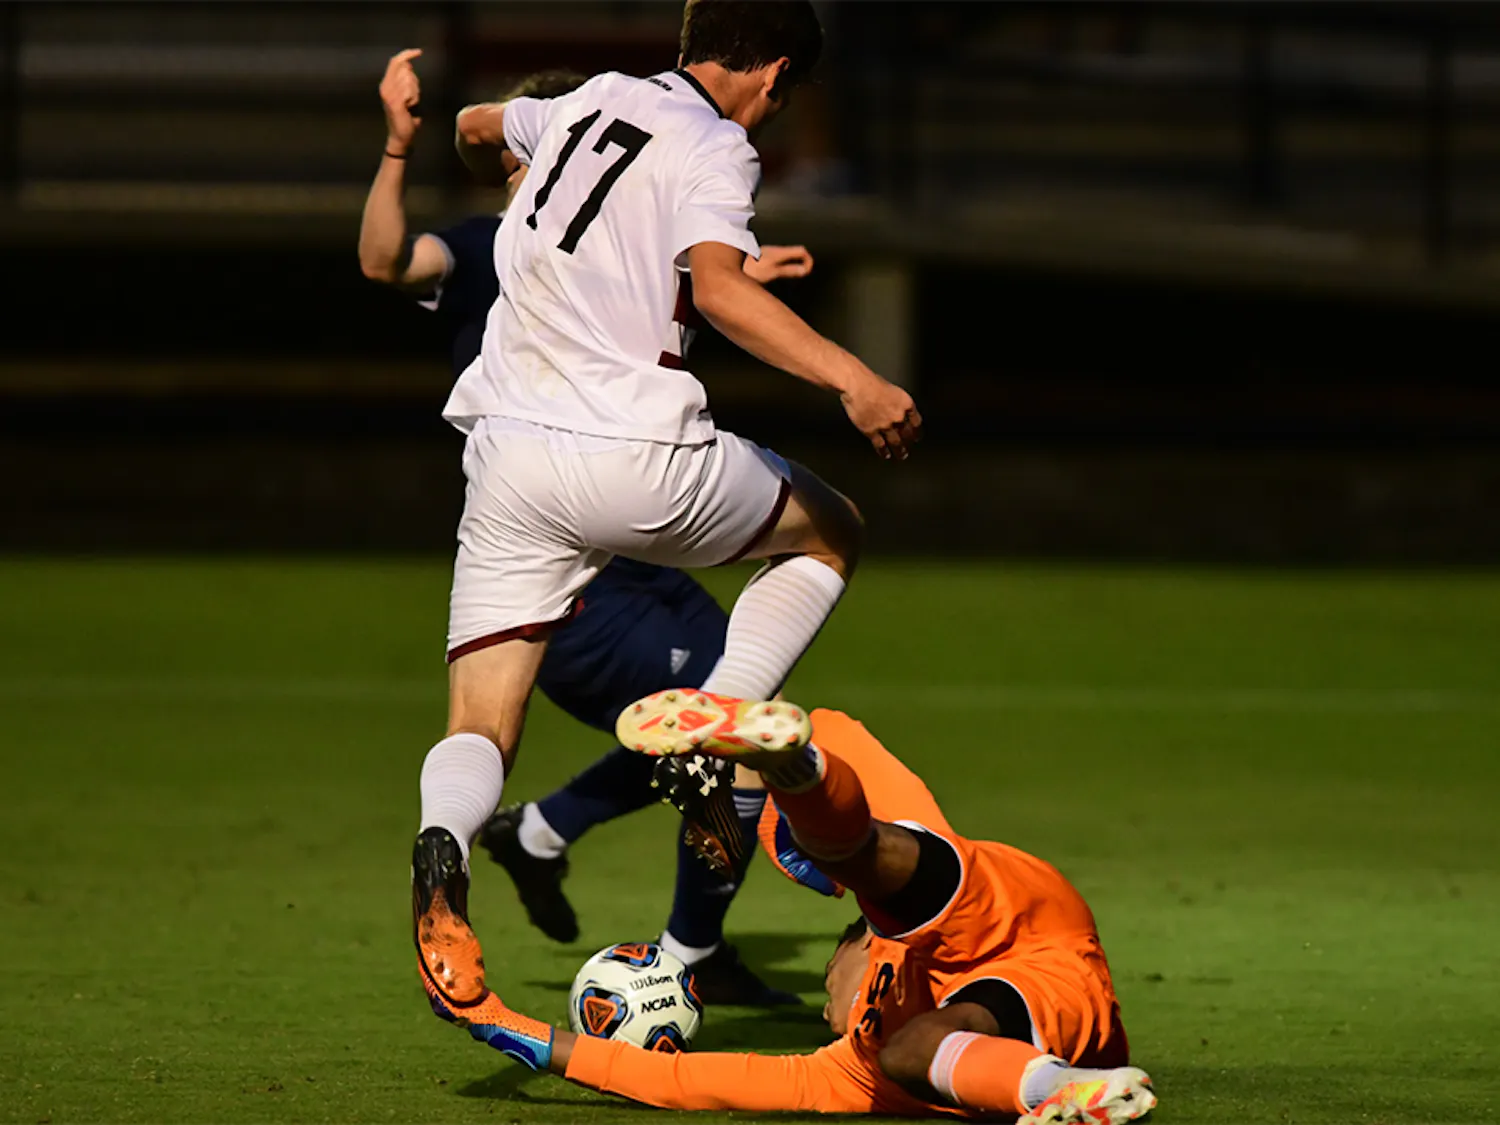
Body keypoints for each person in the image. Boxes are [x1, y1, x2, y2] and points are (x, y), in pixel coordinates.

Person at [413, 0, 922, 1029]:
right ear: (774, 73)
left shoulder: (585, 102)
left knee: (480, 720)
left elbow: (474, 130)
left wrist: (477, 150)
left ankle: (441, 850)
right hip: (637, 456)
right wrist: (853, 379)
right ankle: (721, 728)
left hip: (506, 460)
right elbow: (723, 296)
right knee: (832, 528)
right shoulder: (718, 146)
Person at [360, 52, 815, 1004]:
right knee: (732, 725)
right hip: (602, 535)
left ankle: (489, 836)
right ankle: (686, 954)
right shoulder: (500, 242)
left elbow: (666, 277)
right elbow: (386, 261)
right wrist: (399, 151)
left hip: (553, 512)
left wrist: (728, 272)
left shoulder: (611, 225)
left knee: (499, 722)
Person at [433, 694, 1157, 1125]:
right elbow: (682, 1080)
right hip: (1055, 1009)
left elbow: (828, 722)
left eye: (823, 976)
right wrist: (500, 1023)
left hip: (1006, 918)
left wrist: (747, 784)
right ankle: (1066, 1092)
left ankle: (792, 769)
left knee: (874, 861)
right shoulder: (854, 1064)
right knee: (910, 1047)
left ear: (853, 946)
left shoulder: (882, 939)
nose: (822, 1003)